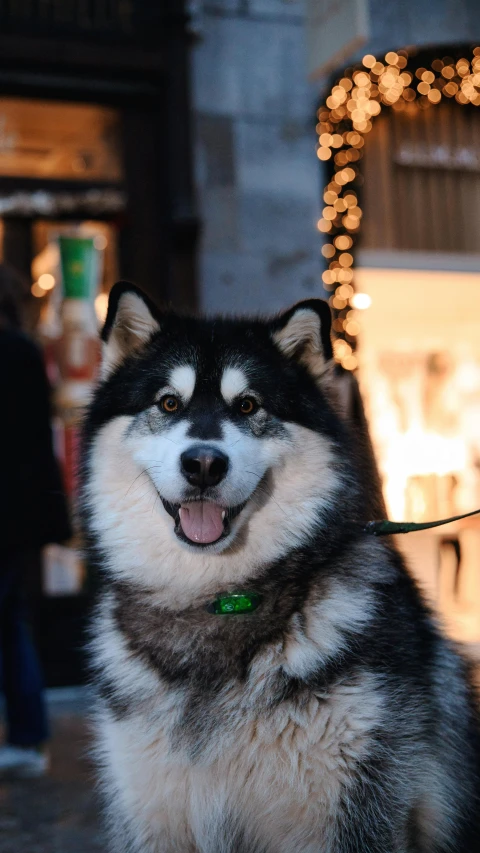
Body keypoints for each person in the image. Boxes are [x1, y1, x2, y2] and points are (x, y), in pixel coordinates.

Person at [0, 264, 72, 777]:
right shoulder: (24, 350)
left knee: (9, 622)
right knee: (11, 622)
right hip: (18, 514)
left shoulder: (14, 353)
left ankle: (28, 738)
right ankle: (28, 738)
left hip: (7, 513)